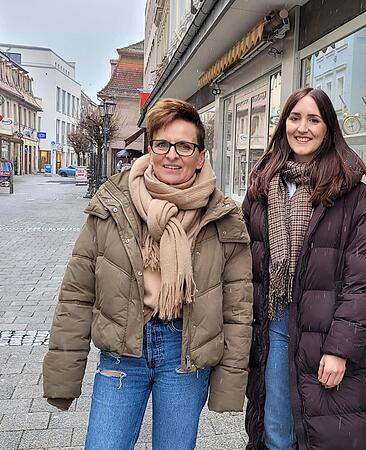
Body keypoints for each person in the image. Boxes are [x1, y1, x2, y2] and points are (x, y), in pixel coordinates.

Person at [43, 98, 253, 450]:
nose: (173, 155)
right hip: (122, 350)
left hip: (184, 355)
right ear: (150, 149)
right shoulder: (113, 204)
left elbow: (238, 307)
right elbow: (77, 294)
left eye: (185, 146)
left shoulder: (223, 216)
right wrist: (63, 374)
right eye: (163, 144)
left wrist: (230, 383)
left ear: (201, 155)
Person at [243, 88, 366, 450]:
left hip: (326, 330)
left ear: (328, 128)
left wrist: (340, 349)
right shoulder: (261, 187)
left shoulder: (352, 193)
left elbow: (363, 282)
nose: (302, 128)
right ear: (283, 125)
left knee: (327, 436)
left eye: (313, 119)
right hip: (275, 325)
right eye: (295, 118)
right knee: (276, 432)